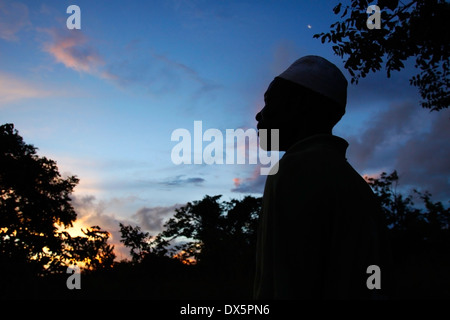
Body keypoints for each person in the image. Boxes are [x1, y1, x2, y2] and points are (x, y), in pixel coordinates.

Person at [254, 55, 392, 299]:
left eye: (269, 102)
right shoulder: (352, 182)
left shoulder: (295, 169)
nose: (259, 115)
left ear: (301, 105)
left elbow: (289, 282)